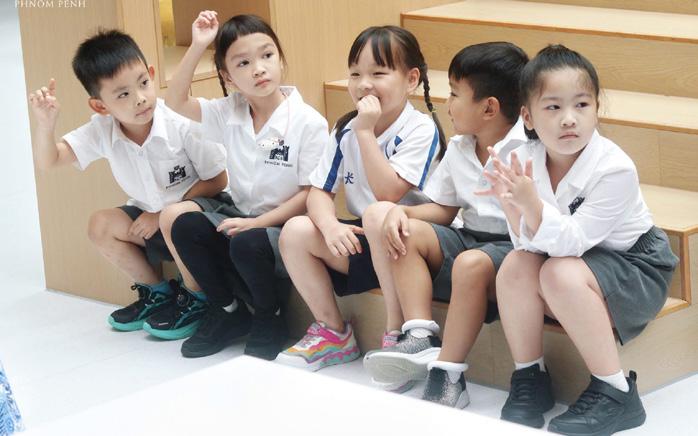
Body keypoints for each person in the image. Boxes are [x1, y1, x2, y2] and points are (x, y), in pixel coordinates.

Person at [485, 45, 678, 434]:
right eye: (553, 107)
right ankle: (530, 378)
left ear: (596, 109)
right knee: (516, 265)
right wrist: (511, 206)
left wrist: (529, 204)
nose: (569, 119)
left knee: (559, 272)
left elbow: (571, 243)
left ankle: (616, 392)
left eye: (582, 105)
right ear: (527, 116)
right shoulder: (522, 157)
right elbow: (527, 247)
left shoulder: (615, 168)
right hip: (577, 266)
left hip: (635, 268)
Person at [27, 30, 228, 333]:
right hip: (153, 222)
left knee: (173, 218)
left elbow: (218, 180)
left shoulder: (181, 121)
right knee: (101, 225)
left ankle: (197, 298)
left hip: (199, 220)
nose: (140, 99)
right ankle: (158, 293)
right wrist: (45, 126)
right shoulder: (103, 129)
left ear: (151, 74)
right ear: (100, 106)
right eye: (123, 95)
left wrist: (161, 214)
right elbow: (49, 161)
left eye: (143, 83)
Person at [363, 42, 529, 403]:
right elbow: (443, 209)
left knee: (471, 263)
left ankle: (450, 375)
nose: (446, 102)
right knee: (404, 229)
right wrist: (402, 213)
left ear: (489, 108)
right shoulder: (459, 146)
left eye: (454, 94)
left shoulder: (530, 148)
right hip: (469, 237)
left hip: (514, 247)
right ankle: (420, 334)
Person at [275, 25, 444, 372]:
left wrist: (365, 131)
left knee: (379, 212)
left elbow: (388, 193)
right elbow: (320, 192)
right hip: (369, 239)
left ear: (411, 80)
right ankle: (333, 333)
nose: (364, 84)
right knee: (295, 230)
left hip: (412, 246)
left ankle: (397, 332)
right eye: (355, 74)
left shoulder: (420, 128)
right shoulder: (346, 129)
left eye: (378, 73)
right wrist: (329, 227)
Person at [164, 11, 328, 359]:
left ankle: (271, 317)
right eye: (243, 63)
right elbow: (174, 101)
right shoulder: (229, 111)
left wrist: (258, 223)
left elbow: (309, 195)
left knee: (247, 242)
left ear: (280, 58)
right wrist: (198, 45)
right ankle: (229, 312)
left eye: (267, 55)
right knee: (185, 226)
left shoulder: (308, 122)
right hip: (240, 215)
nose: (259, 69)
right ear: (227, 75)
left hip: (286, 226)